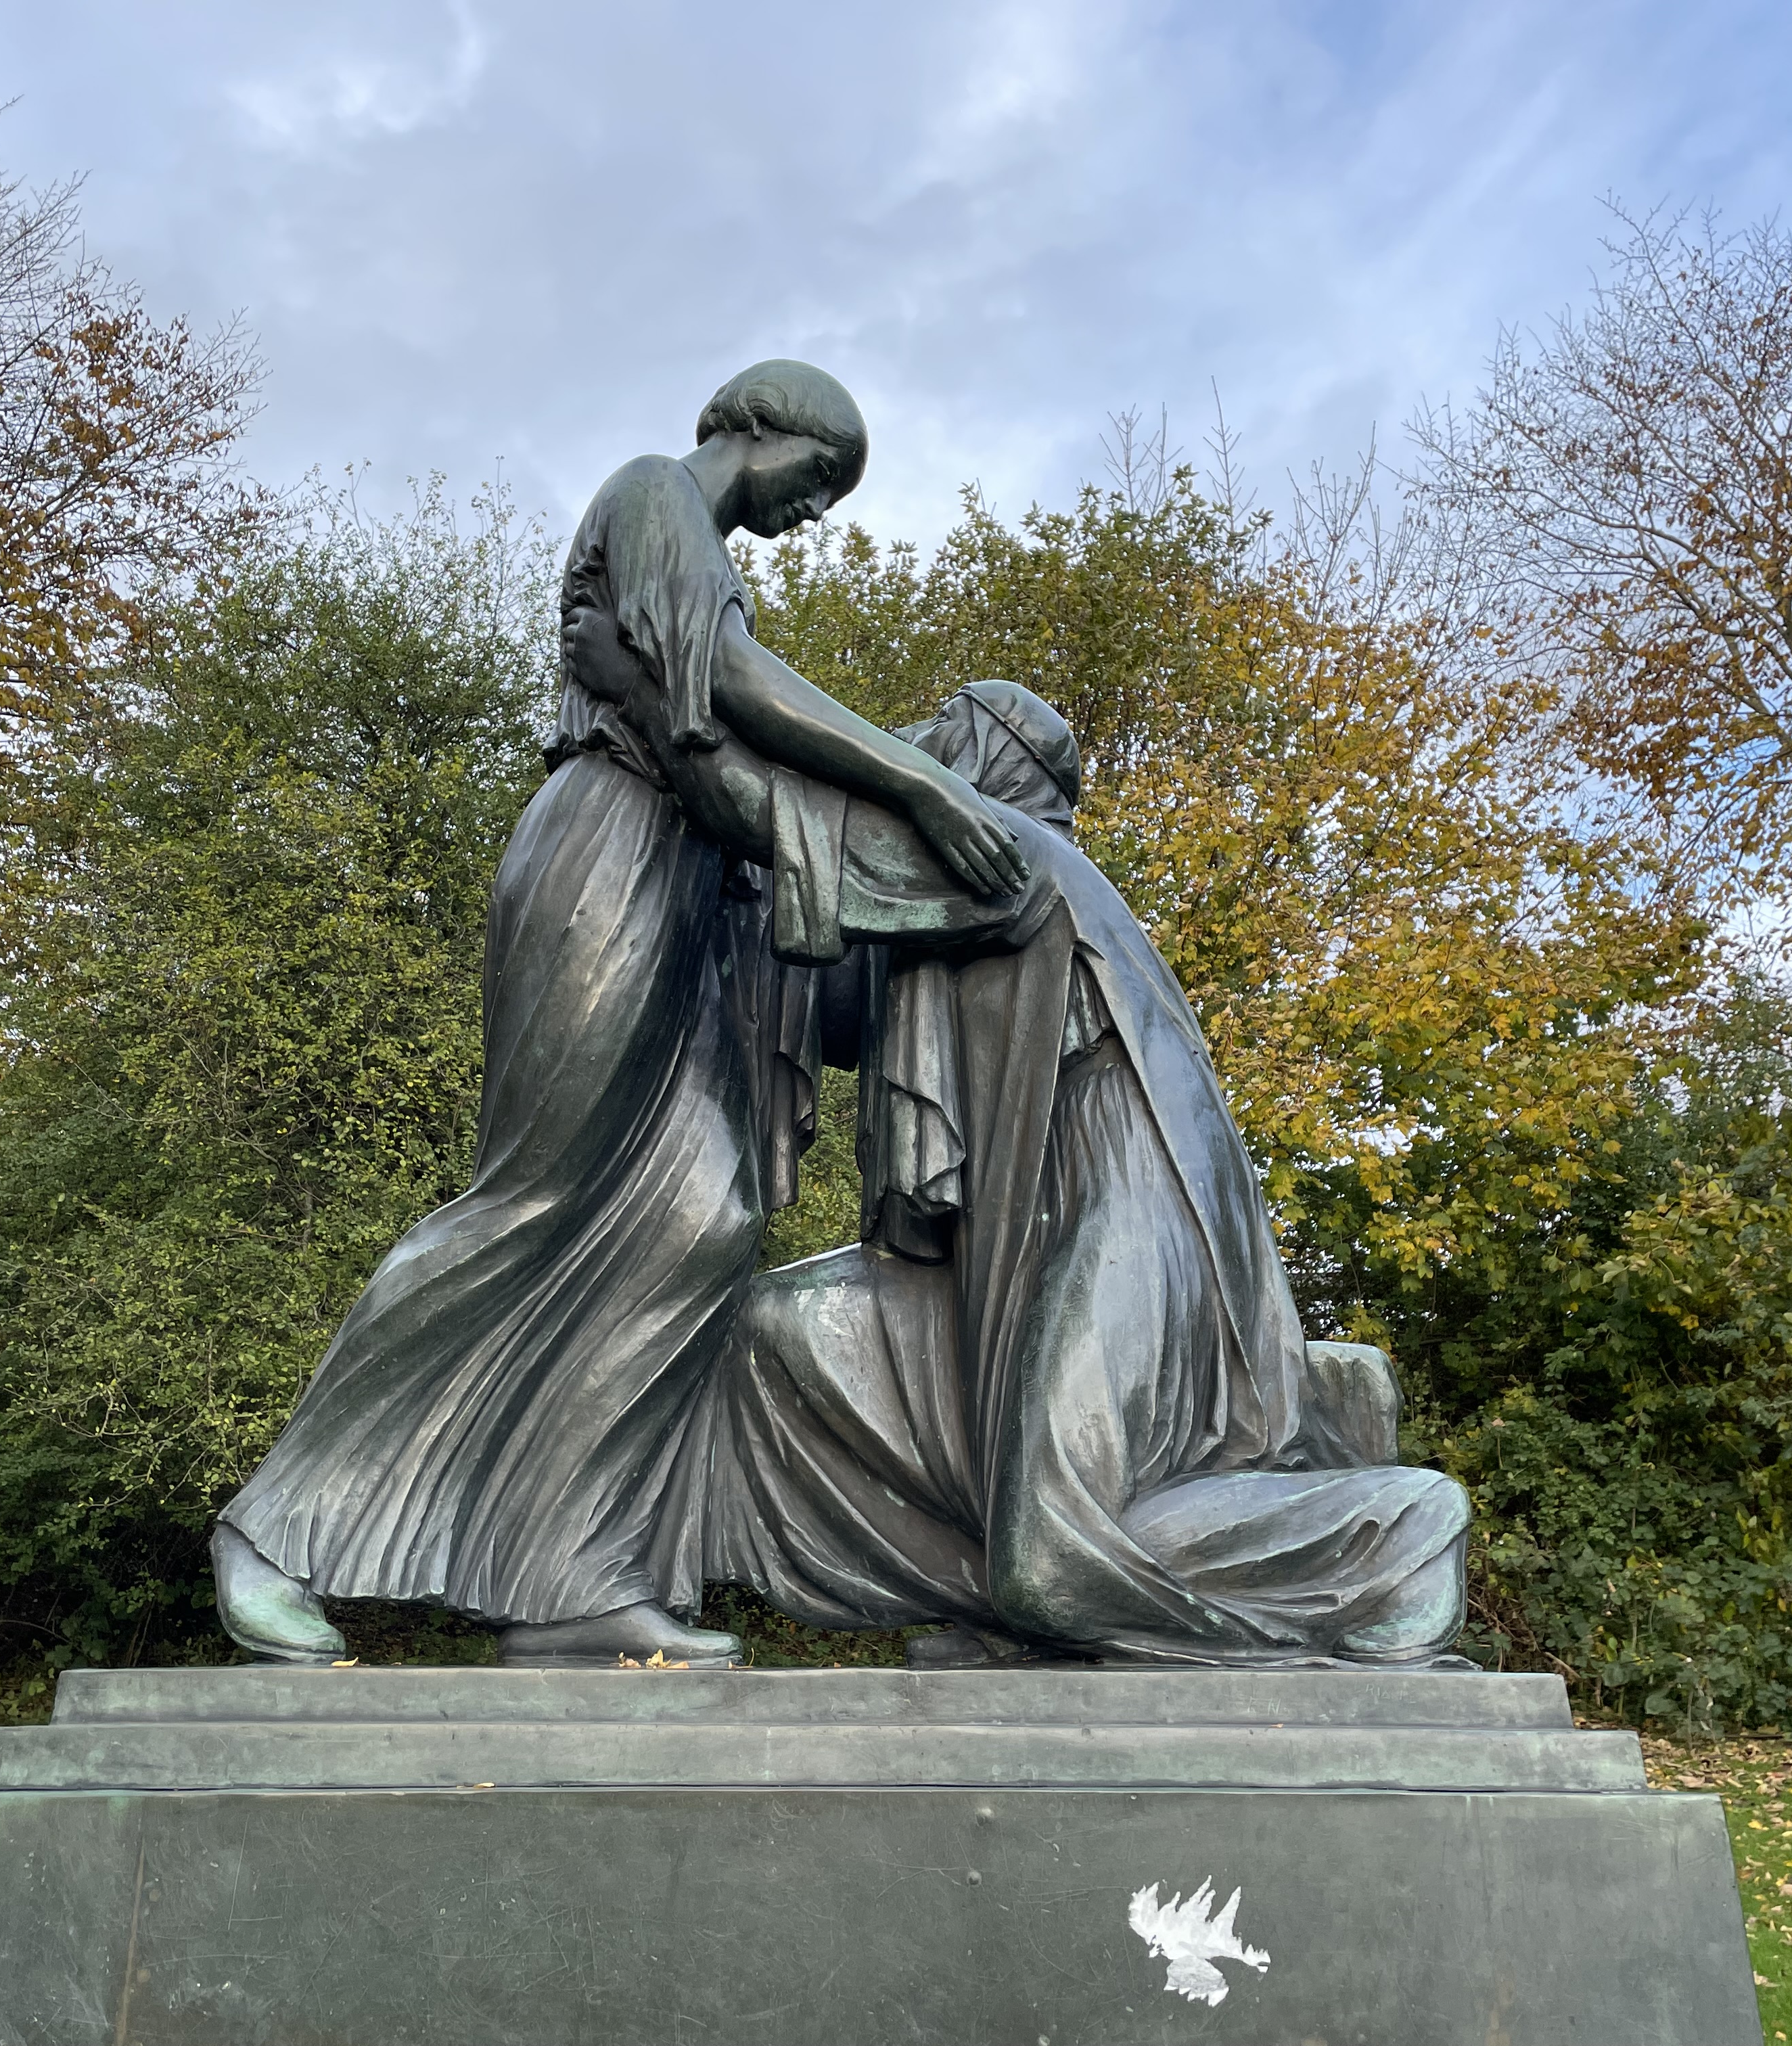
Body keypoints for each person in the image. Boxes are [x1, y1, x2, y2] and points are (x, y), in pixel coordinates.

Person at [211, 364, 1051, 1667]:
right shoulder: (657, 495)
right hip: (605, 857)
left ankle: (572, 1572)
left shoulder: (711, 561)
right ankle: (275, 1528)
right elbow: (718, 681)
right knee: (537, 1197)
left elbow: (720, 749)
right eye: (820, 480)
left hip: (691, 895)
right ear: (761, 428)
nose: (815, 512)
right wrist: (928, 790)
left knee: (699, 1215)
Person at [695, 683, 1473, 1666]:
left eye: (941, 726)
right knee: (766, 1336)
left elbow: (787, 826)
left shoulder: (1016, 854)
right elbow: (821, 978)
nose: (914, 743)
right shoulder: (953, 895)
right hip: (1020, 1228)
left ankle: (1396, 1532)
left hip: (1134, 1206)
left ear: (989, 753)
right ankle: (1006, 1586)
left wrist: (682, 726)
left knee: (1052, 1561)